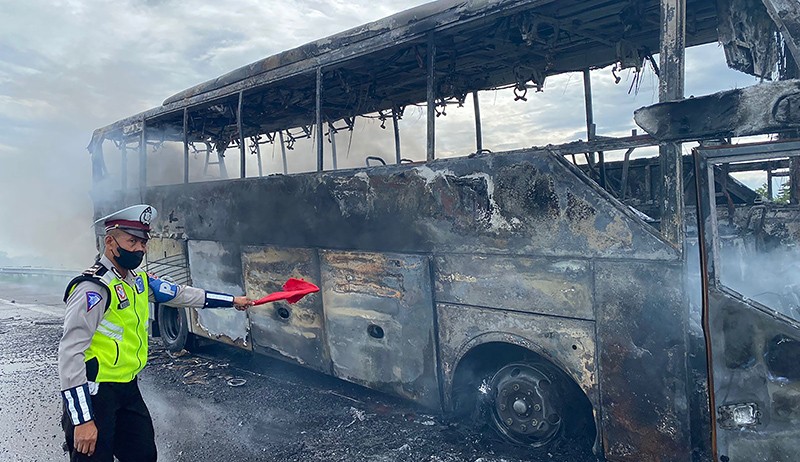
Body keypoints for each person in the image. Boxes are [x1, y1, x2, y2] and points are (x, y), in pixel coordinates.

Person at [58, 204, 253, 461]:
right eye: (132, 241)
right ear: (110, 242)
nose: (140, 248)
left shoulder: (138, 281)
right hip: (96, 394)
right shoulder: (92, 289)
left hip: (128, 388)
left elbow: (181, 294)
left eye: (143, 242)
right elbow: (70, 354)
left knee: (144, 454)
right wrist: (83, 419)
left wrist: (232, 300)